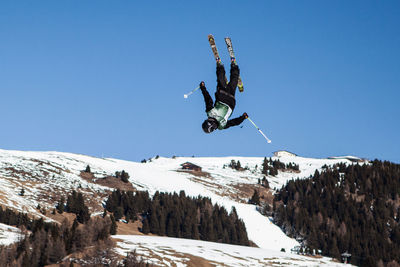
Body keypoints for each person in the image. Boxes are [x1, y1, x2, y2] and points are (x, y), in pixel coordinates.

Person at [200, 61, 248, 133]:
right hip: (227, 98)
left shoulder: (211, 114)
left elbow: (208, 99)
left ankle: (222, 67)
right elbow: (233, 122)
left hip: (226, 98)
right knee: (229, 81)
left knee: (225, 81)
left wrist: (203, 88)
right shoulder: (221, 125)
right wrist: (242, 118)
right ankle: (231, 67)